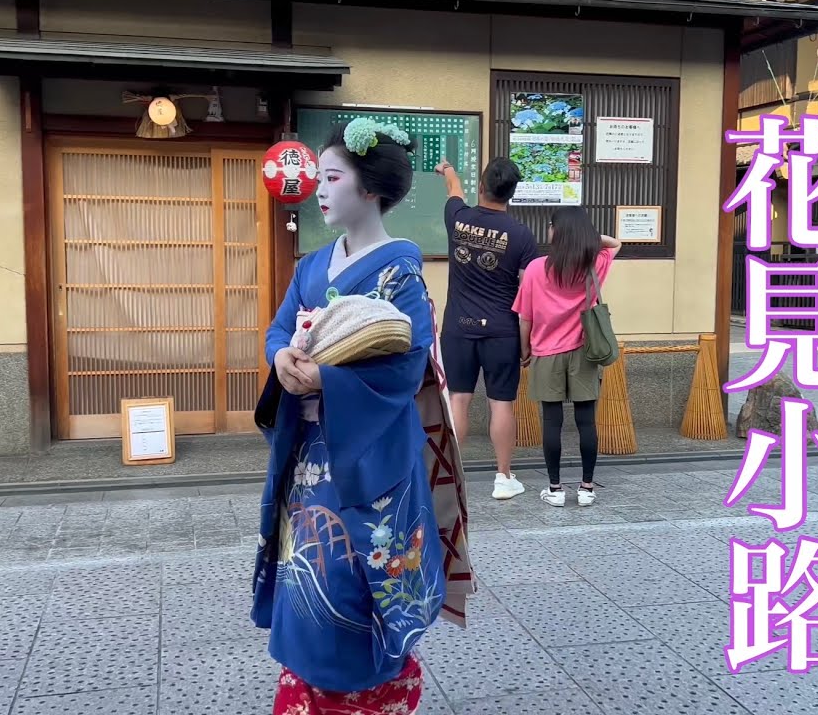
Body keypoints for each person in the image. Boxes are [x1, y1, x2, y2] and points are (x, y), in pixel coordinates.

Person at [251, 118, 474, 715]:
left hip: (371, 451)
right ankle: (312, 690)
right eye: (319, 179)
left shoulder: (401, 269)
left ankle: (366, 695)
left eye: (331, 177)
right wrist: (280, 355)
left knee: (357, 576)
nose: (319, 190)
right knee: (307, 566)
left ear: (369, 188)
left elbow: (405, 369)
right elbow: (279, 325)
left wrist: (326, 376)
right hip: (313, 452)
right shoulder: (311, 266)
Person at [434, 156, 539, 501]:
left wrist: (447, 169)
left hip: (458, 328)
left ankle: (448, 477)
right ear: (512, 193)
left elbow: (453, 188)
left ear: (482, 186)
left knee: (459, 401)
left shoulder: (458, 218)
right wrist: (528, 343)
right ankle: (503, 477)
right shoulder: (522, 236)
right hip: (502, 331)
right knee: (501, 404)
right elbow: (527, 293)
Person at [512, 206, 622, 507]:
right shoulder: (594, 263)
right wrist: (584, 238)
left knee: (552, 421)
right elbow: (615, 243)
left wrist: (525, 350)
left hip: (546, 353)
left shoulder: (536, 268)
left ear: (555, 231)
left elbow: (525, 318)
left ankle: (556, 489)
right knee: (586, 421)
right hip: (584, 352)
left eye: (551, 226)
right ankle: (586, 488)